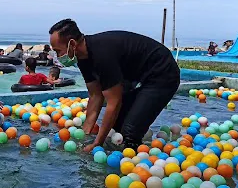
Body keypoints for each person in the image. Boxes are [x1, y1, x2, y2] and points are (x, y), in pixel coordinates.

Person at [48, 18, 180, 151]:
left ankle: (135, 161)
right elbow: (95, 96)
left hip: (163, 73)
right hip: (139, 77)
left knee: (129, 133)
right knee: (116, 127)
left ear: (72, 44)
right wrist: (84, 136)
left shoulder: (102, 55)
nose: (58, 56)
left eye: (58, 51)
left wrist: (97, 144)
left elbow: (114, 102)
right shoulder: (83, 58)